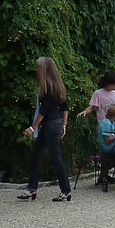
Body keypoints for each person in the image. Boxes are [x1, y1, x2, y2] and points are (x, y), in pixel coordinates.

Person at [19, 56, 72, 202]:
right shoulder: (56, 85)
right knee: (36, 154)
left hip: (50, 124)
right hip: (53, 124)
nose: (36, 69)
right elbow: (65, 106)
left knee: (54, 157)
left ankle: (66, 189)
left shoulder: (48, 86)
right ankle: (32, 188)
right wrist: (64, 125)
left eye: (38, 67)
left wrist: (32, 127)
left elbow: (44, 110)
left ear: (43, 69)